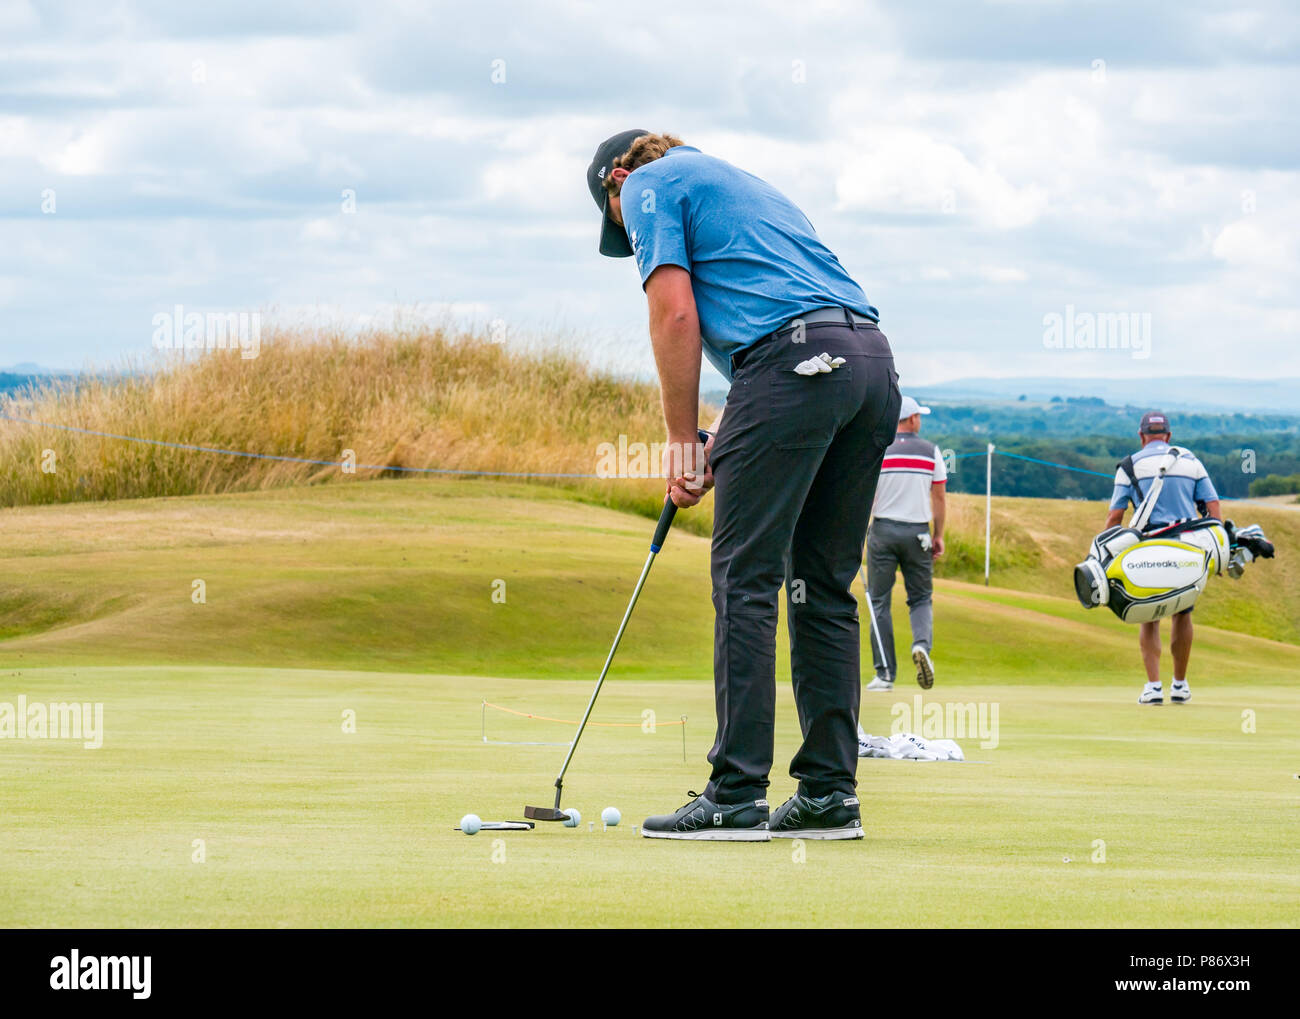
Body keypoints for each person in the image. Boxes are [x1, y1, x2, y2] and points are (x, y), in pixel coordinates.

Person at [587, 130, 900, 841]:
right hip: (870, 364)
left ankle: (734, 793)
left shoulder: (645, 184)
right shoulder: (745, 184)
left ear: (617, 177)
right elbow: (785, 331)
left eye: (615, 220)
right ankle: (828, 795)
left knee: (744, 574)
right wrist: (719, 441)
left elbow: (675, 314)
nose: (626, 226)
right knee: (821, 583)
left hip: (794, 365)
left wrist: (678, 442)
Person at [1104, 411, 1221, 705]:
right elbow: (1212, 504)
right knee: (1183, 612)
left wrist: (1105, 552)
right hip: (1187, 548)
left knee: (1150, 613)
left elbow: (1116, 516)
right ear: (1168, 436)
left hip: (1149, 546)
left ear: (1141, 436)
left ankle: (1154, 687)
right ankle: (1180, 685)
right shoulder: (1191, 461)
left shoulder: (1129, 465)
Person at [863, 395, 946, 692]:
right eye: (919, 417)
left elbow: (867, 494)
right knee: (921, 598)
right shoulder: (930, 452)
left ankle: (884, 674)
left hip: (883, 531)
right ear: (911, 420)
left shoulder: (878, 449)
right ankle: (921, 645)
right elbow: (938, 496)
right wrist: (938, 535)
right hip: (917, 533)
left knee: (879, 602)